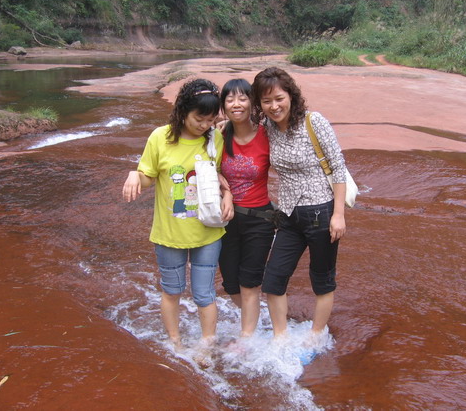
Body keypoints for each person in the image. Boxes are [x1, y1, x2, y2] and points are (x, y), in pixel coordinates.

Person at [122, 78, 233, 364]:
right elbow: (147, 177)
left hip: (207, 232)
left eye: (211, 119)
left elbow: (221, 176)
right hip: (169, 234)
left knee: (204, 294)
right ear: (183, 110)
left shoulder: (215, 138)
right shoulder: (160, 137)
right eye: (199, 118)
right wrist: (134, 175)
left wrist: (229, 196)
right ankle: (175, 343)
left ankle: (206, 345)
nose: (204, 125)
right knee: (171, 291)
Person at [251, 67, 347, 346]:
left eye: (279, 98)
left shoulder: (313, 122)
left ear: (291, 96)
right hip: (288, 215)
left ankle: (316, 335)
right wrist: (223, 126)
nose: (274, 106)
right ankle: (281, 338)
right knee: (273, 279)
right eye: (266, 101)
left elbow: (338, 168)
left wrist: (339, 215)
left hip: (321, 212)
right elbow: (242, 130)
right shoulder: (268, 128)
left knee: (322, 277)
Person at [218, 78, 276, 338]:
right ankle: (255, 320)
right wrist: (225, 189)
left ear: (252, 103)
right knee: (231, 284)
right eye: (230, 99)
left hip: (259, 219)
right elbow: (203, 168)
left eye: (242, 98)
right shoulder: (218, 136)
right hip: (225, 220)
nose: (236, 104)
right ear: (223, 106)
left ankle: (246, 338)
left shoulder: (267, 135)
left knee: (249, 283)